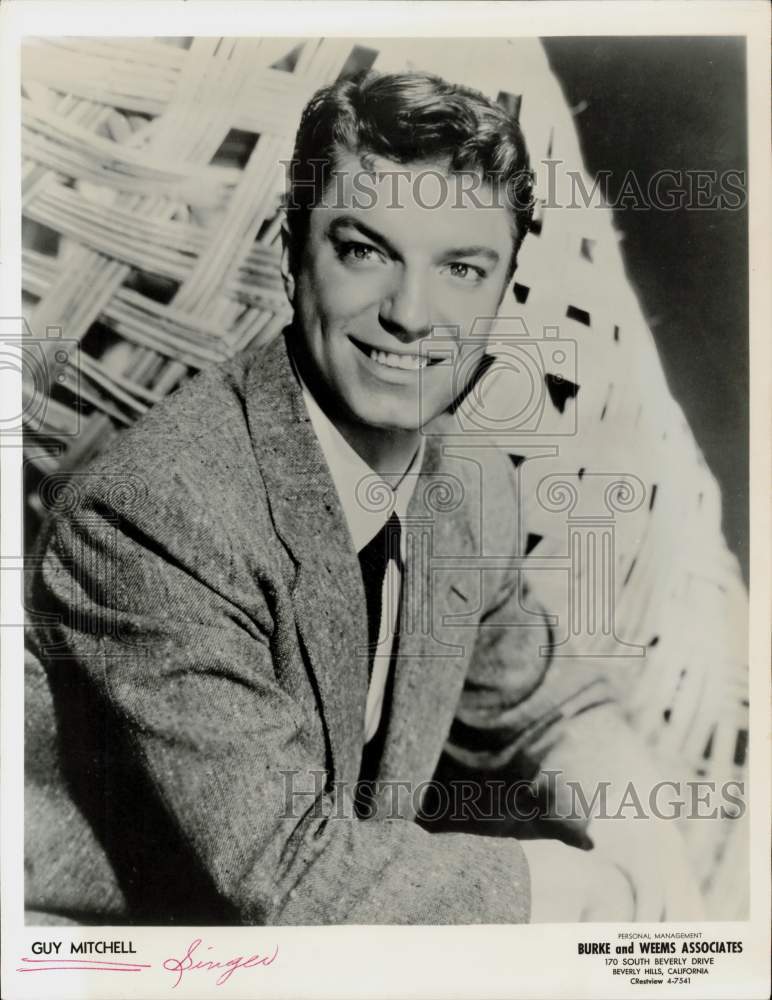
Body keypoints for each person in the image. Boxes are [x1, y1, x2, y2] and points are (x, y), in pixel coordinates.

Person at [26, 70, 702, 925]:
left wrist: (651, 849)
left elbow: (542, 703)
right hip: (111, 948)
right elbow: (290, 875)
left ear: (502, 294)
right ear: (291, 257)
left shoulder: (469, 483)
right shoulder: (152, 515)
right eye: (365, 250)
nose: (413, 314)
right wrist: (591, 897)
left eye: (461, 267)